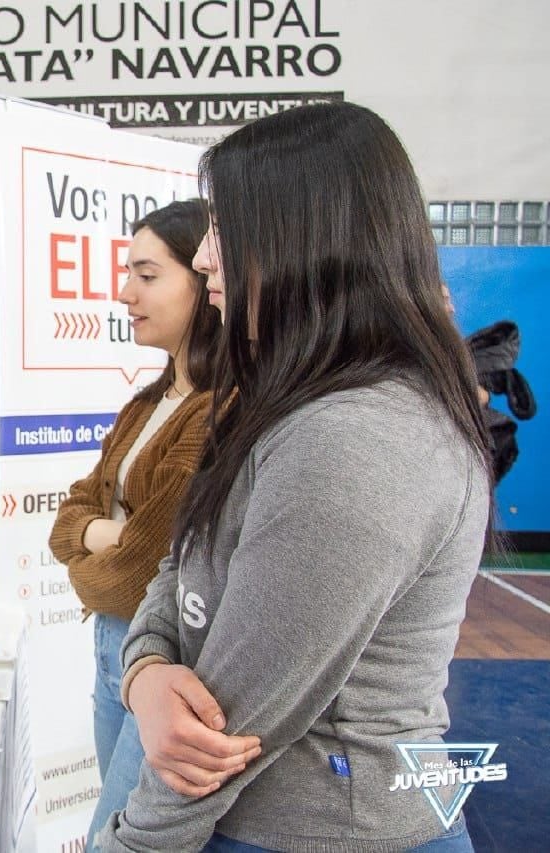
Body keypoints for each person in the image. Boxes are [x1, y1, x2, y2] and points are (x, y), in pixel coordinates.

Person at [100, 102, 492, 851]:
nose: (207, 257)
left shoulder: (354, 440)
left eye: (223, 227)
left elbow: (232, 729)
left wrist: (133, 842)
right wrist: (147, 668)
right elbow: (182, 558)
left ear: (307, 237)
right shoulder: (285, 399)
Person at [48, 199, 221, 853]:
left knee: (115, 838)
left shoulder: (215, 410)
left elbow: (143, 571)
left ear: (202, 280)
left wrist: (101, 542)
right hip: (110, 652)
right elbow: (67, 518)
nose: (125, 293)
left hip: (162, 652)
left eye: (147, 274)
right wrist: (110, 534)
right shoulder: (146, 404)